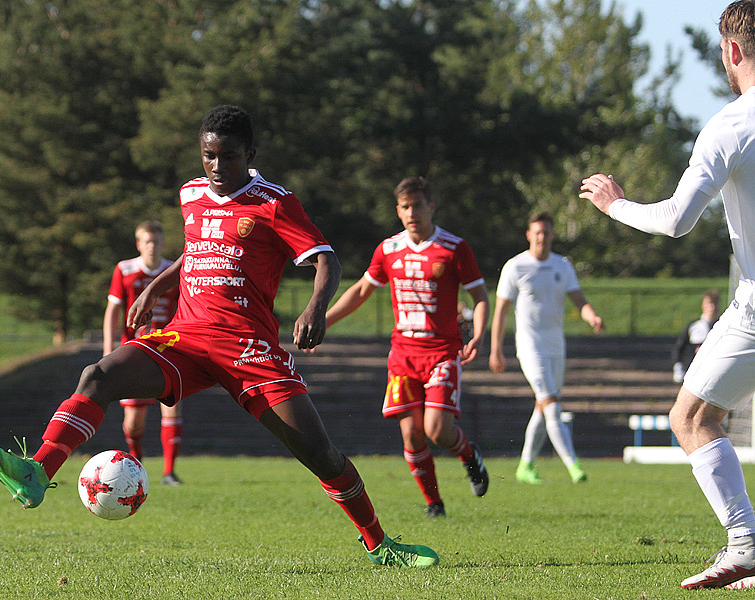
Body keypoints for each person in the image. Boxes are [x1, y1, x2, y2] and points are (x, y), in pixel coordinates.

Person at [0, 105, 438, 567]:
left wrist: (316, 307)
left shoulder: (274, 202)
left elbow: (326, 260)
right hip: (186, 338)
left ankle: (380, 544)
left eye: (229, 157)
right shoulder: (191, 194)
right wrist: (157, 286)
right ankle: (38, 470)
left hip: (248, 346)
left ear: (250, 154)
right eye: (208, 156)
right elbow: (196, 251)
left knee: (318, 453)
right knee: (97, 374)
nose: (217, 168)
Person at [579, 2, 755, 587]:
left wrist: (614, 205)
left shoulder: (731, 125)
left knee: (693, 417)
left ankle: (746, 542)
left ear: (732, 51)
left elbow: (678, 220)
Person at [322, 176, 490, 519]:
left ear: (430, 206)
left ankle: (469, 456)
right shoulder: (388, 249)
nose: (411, 212)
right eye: (405, 207)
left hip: (443, 352)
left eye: (417, 205)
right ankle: (434, 504)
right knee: (412, 435)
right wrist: (323, 320)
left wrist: (480, 335)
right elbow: (361, 291)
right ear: (398, 211)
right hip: (402, 355)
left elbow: (480, 296)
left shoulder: (454, 247)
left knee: (436, 431)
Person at [488, 212, 604, 485]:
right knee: (552, 405)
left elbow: (579, 300)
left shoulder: (562, 266)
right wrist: (496, 348)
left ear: (552, 235)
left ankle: (525, 465)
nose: (541, 237)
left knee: (543, 405)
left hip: (556, 345)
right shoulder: (515, 267)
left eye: (546, 233)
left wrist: (592, 316)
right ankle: (574, 466)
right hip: (529, 346)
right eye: (537, 233)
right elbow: (501, 311)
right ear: (529, 235)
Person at [103, 220, 183, 484]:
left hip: (168, 351)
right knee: (134, 420)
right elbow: (113, 309)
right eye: (147, 242)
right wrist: (108, 348)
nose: (152, 246)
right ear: (139, 244)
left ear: (162, 243)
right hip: (135, 352)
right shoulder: (125, 270)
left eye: (157, 241)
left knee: (172, 408)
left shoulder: (173, 270)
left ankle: (169, 472)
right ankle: (136, 459)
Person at [671, 289, 720, 383]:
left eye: (715, 304)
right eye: (709, 303)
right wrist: (678, 365)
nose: (712, 307)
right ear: (703, 305)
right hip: (693, 372)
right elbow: (680, 347)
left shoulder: (723, 326)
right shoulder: (693, 325)